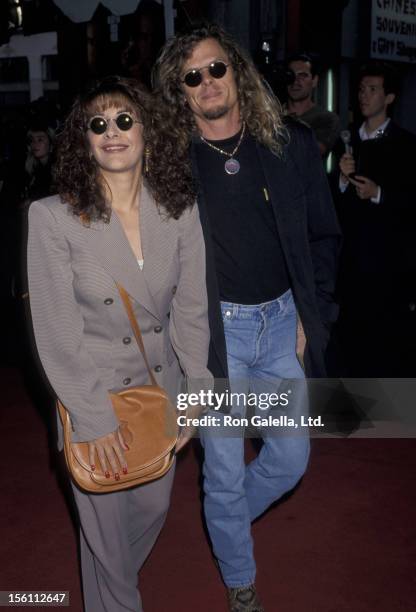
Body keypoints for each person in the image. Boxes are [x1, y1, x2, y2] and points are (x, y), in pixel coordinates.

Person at [154, 23, 341, 612]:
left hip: (282, 325)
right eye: (192, 76)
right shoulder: (170, 164)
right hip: (216, 337)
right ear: (179, 92)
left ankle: (224, 517)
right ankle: (240, 580)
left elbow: (323, 236)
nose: (207, 82)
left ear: (237, 72)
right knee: (226, 471)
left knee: (289, 461)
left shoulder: (289, 143)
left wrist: (313, 311)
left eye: (216, 68)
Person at [26, 76, 212, 612]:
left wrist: (195, 391)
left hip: (161, 394)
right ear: (83, 140)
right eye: (98, 123)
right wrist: (93, 418)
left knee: (151, 512)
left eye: (124, 120)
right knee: (108, 550)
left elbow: (192, 310)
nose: (112, 132)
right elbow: (57, 330)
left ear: (147, 130)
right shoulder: (54, 217)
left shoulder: (179, 212)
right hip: (96, 399)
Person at [337, 61, 416, 376]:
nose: (364, 96)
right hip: (350, 265)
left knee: (385, 348)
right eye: (361, 89)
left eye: (372, 90)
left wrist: (379, 193)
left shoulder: (407, 145)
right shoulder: (346, 141)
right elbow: (329, 203)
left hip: (387, 267)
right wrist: (342, 181)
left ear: (390, 97)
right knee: (349, 346)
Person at [285, 53, 340, 158]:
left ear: (314, 81)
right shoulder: (273, 114)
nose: (295, 81)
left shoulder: (327, 119)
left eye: (302, 76)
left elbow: (314, 152)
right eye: (290, 75)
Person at [23, 124, 55, 203]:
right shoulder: (31, 167)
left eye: (40, 139)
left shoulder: (57, 169)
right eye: (31, 140)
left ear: (51, 144)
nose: (34, 144)